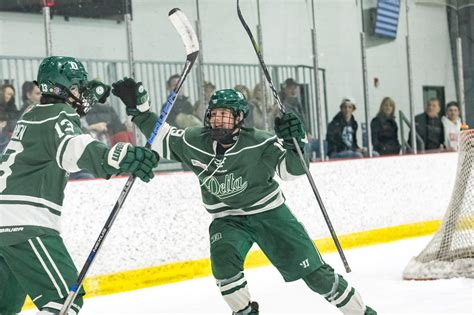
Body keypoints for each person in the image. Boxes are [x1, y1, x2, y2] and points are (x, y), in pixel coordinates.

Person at [111, 78, 377, 315]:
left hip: (270, 214)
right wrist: (141, 110)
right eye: (214, 115)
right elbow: (162, 138)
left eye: (225, 116)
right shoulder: (194, 141)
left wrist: (297, 143)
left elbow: (292, 171)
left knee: (315, 275)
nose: (218, 121)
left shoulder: (259, 142)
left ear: (239, 119)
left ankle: (361, 312)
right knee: (223, 261)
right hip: (227, 219)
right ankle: (244, 312)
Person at [0, 56, 159, 314]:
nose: (80, 93)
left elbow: (64, 117)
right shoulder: (58, 116)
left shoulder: (33, 113)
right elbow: (74, 147)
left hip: (5, 223)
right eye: (76, 87)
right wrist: (118, 157)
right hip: (26, 223)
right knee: (63, 300)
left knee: (4, 304)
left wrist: (90, 96)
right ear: (60, 88)